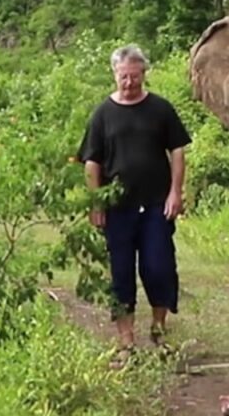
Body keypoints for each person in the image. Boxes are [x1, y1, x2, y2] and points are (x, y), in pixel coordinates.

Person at [76, 44, 192, 368]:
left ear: (144, 74)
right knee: (121, 273)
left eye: (135, 76)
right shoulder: (102, 114)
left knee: (158, 267)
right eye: (124, 76)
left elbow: (179, 151)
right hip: (117, 209)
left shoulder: (161, 109)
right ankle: (126, 342)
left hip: (156, 205)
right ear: (114, 74)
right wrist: (96, 202)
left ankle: (158, 331)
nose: (129, 83)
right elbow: (91, 162)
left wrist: (176, 193)